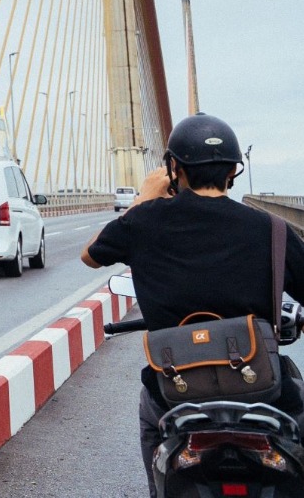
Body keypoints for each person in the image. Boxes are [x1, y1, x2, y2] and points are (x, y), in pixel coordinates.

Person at [81, 114, 304, 495]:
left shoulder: (142, 223)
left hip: (174, 389)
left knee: (153, 424)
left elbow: (90, 256)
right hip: (261, 387)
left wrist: (145, 197)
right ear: (234, 171)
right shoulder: (274, 229)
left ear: (174, 168)